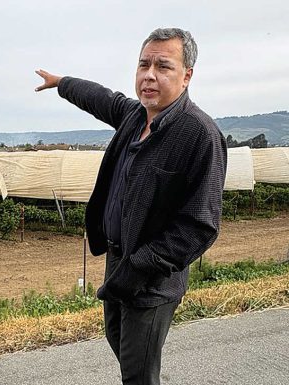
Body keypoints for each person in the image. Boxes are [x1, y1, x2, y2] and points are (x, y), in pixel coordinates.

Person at [35, 28, 227, 385]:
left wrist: (138, 268)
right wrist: (62, 82)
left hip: (152, 276)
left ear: (187, 76)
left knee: (138, 373)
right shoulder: (136, 117)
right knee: (120, 345)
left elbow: (199, 225)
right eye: (143, 64)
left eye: (163, 66)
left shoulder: (199, 134)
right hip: (116, 259)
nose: (149, 74)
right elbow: (102, 98)